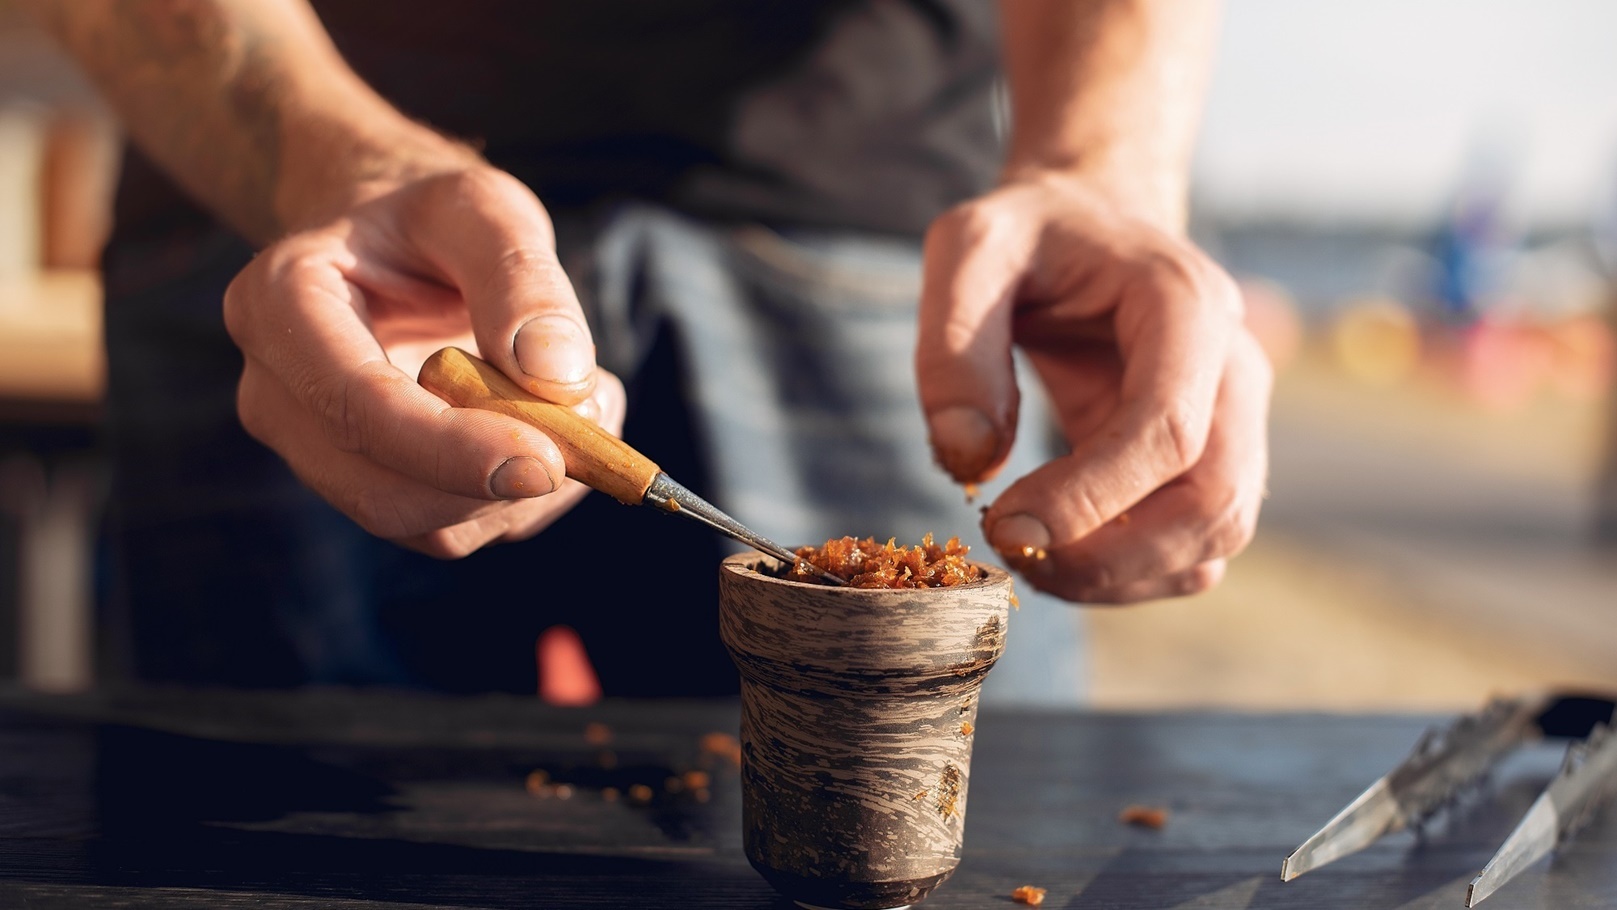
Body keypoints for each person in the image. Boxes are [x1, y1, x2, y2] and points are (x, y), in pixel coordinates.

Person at [20, 0, 1270, 703]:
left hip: (863, 210)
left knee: (962, 844)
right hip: (304, 227)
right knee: (266, 861)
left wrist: (1102, 170)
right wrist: (320, 156)